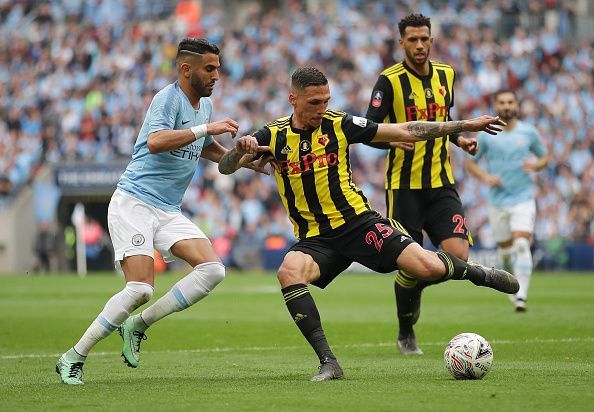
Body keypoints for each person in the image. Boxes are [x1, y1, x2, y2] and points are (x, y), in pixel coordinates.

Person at [218, 66, 518, 381]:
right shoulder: (273, 135)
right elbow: (226, 167)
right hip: (316, 239)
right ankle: (329, 363)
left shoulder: (340, 124)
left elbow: (406, 130)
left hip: (359, 224)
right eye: (314, 103)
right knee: (289, 272)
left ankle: (478, 274)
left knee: (428, 269)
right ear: (293, 99)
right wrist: (240, 150)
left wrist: (466, 124)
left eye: (325, 101)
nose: (322, 109)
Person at [56, 38, 266, 385]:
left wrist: (245, 160)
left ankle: (138, 324)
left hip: (167, 209)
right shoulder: (167, 99)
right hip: (134, 202)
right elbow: (156, 141)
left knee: (213, 270)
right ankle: (72, 357)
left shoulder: (204, 106)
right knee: (140, 289)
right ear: (186, 69)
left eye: (218, 68)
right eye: (209, 69)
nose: (217, 75)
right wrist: (205, 129)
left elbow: (208, 149)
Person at [365, 13, 479, 355]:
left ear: (432, 40)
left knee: (458, 253)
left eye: (424, 39)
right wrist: (390, 141)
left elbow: (443, 121)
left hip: (441, 183)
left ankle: (417, 284)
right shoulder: (388, 81)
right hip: (403, 188)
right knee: (410, 263)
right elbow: (367, 129)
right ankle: (405, 330)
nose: (419, 45)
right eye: (412, 40)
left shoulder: (447, 74)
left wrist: (461, 141)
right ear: (401, 43)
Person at [465, 89, 549, 312]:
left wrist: (536, 166)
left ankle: (521, 295)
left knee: (522, 243)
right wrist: (485, 177)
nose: (506, 106)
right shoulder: (487, 134)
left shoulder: (528, 133)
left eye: (510, 102)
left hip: (523, 198)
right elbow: (471, 162)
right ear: (496, 105)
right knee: (505, 251)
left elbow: (544, 156)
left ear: (517, 105)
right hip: (498, 201)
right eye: (502, 102)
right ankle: (512, 283)